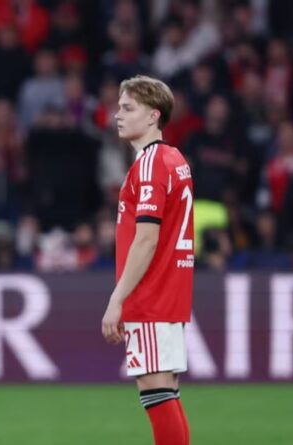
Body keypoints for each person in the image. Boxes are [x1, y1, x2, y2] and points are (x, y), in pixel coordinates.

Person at [101, 75, 194, 445]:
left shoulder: (150, 164)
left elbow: (146, 238)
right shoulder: (174, 158)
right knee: (165, 390)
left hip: (151, 293)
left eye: (128, 108)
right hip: (170, 291)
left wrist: (117, 299)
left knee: (155, 391)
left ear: (154, 115)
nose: (117, 115)